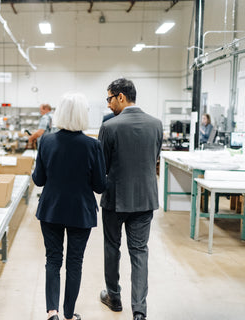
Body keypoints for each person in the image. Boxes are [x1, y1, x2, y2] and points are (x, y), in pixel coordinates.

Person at [32, 93, 106, 320]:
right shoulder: (93, 145)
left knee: (53, 259)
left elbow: (39, 180)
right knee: (75, 262)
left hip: (51, 209)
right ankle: (68, 314)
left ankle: (51, 311)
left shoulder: (46, 140)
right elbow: (100, 186)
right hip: (80, 212)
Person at [98, 78, 163, 320]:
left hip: (115, 199)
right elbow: (153, 158)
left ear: (121, 97)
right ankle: (139, 311)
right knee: (139, 252)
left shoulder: (110, 126)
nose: (108, 104)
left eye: (109, 98)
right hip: (145, 199)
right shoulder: (156, 124)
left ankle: (114, 297)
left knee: (111, 248)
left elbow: (101, 166)